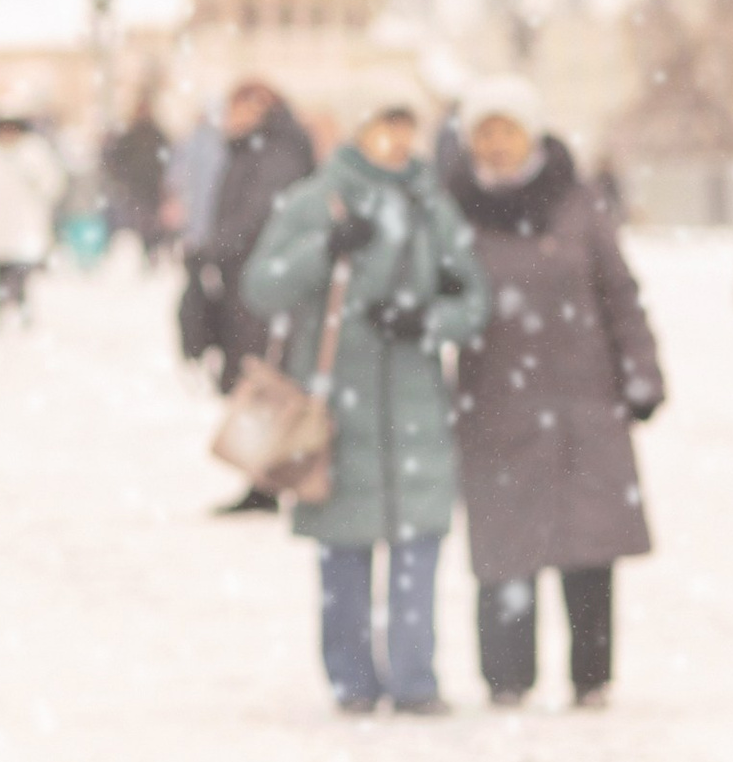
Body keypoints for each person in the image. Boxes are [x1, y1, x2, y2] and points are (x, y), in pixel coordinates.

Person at [242, 77, 490, 714]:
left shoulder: (432, 206)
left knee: (417, 546)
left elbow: (476, 300)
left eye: (407, 125)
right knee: (344, 554)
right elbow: (262, 286)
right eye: (384, 122)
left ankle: (414, 679)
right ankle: (351, 680)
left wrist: (424, 320)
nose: (397, 139)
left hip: (414, 408)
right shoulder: (317, 201)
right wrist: (324, 249)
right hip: (336, 407)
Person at [444, 78, 664, 707]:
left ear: (532, 133)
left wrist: (642, 371)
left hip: (584, 395)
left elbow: (619, 292)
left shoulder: (578, 203)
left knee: (587, 540)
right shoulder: (454, 212)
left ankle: (591, 678)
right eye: (484, 132)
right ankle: (507, 679)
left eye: (507, 129)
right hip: (496, 399)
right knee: (504, 545)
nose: (496, 144)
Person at [184, 79, 318, 512]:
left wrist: (218, 248)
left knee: (267, 383)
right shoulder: (256, 148)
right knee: (260, 382)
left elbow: (260, 215)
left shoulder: (274, 151)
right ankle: (263, 479)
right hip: (249, 280)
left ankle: (268, 481)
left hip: (263, 285)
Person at [0, 106, 62, 324]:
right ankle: (1, 308)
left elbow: (52, 184)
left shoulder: (33, 151)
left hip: (25, 224)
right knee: (1, 269)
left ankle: (20, 306)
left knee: (21, 270)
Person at [102, 97, 174, 262]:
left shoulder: (148, 134)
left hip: (145, 189)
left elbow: (116, 160)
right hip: (141, 188)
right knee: (144, 227)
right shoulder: (147, 134)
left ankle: (147, 255)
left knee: (145, 226)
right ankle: (146, 255)